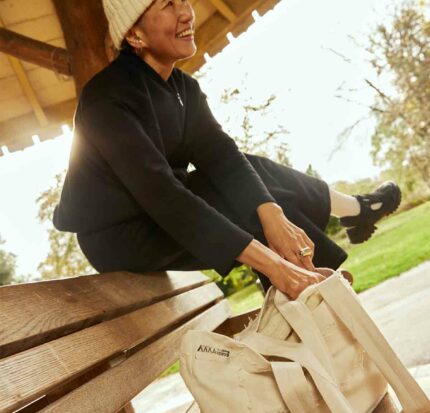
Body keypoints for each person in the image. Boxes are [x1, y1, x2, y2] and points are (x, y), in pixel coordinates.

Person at [53, 0, 401, 299]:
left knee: (253, 190)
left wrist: (274, 216)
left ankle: (319, 279)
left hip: (164, 209)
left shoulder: (183, 88)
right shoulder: (106, 97)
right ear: (134, 35)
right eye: (167, 5)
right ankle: (326, 266)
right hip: (120, 235)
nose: (186, 13)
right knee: (245, 205)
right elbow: (163, 196)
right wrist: (277, 266)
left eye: (183, 0)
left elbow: (223, 157)